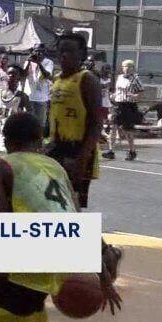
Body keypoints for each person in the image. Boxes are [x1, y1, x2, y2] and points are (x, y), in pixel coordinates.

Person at [0, 112, 122, 322]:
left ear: (6, 142)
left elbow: (4, 221)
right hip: (56, 261)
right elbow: (77, 222)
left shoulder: (1, 166)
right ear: (40, 142)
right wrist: (104, 277)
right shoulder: (57, 169)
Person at [46, 32, 103, 209]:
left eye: (69, 51)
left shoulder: (87, 79)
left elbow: (96, 123)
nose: (64, 55)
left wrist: (82, 158)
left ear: (82, 55)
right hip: (56, 148)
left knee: (72, 205)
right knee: (53, 202)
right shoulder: (56, 79)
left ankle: (89, 237)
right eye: (60, 51)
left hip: (78, 149)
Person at [0, 65, 29, 157]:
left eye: (14, 74)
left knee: (7, 167)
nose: (10, 76)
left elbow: (29, 118)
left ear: (19, 78)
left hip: (10, 138)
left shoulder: (22, 97)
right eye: (9, 73)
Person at [106, 60, 144, 161]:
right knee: (113, 127)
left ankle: (132, 151)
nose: (127, 69)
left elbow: (141, 95)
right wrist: (113, 96)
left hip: (128, 106)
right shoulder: (119, 78)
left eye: (129, 67)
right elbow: (117, 91)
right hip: (118, 105)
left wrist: (135, 96)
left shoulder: (135, 79)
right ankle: (111, 151)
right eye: (125, 67)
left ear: (133, 68)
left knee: (128, 131)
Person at [23, 44, 54, 133]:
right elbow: (23, 75)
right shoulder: (28, 62)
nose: (38, 53)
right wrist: (29, 62)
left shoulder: (48, 62)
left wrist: (38, 63)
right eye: (36, 51)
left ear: (44, 52)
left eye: (40, 51)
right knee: (27, 122)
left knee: (40, 124)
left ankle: (38, 143)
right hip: (29, 96)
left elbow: (47, 75)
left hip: (42, 98)